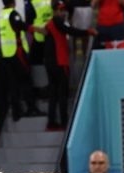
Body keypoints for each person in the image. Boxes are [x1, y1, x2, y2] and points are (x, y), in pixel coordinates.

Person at [37, 0, 94, 130]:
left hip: (50, 63)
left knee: (54, 93)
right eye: (61, 10)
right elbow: (70, 30)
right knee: (62, 93)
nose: (63, 13)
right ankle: (64, 122)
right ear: (55, 11)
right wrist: (87, 32)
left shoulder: (49, 24)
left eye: (63, 10)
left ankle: (51, 123)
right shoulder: (57, 22)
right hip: (59, 62)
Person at [0, 0, 42, 121]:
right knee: (26, 79)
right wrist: (36, 29)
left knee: (13, 83)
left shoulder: (1, 15)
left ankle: (16, 112)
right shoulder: (13, 14)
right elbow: (21, 25)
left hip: (6, 53)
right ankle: (31, 108)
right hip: (17, 51)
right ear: (13, 2)